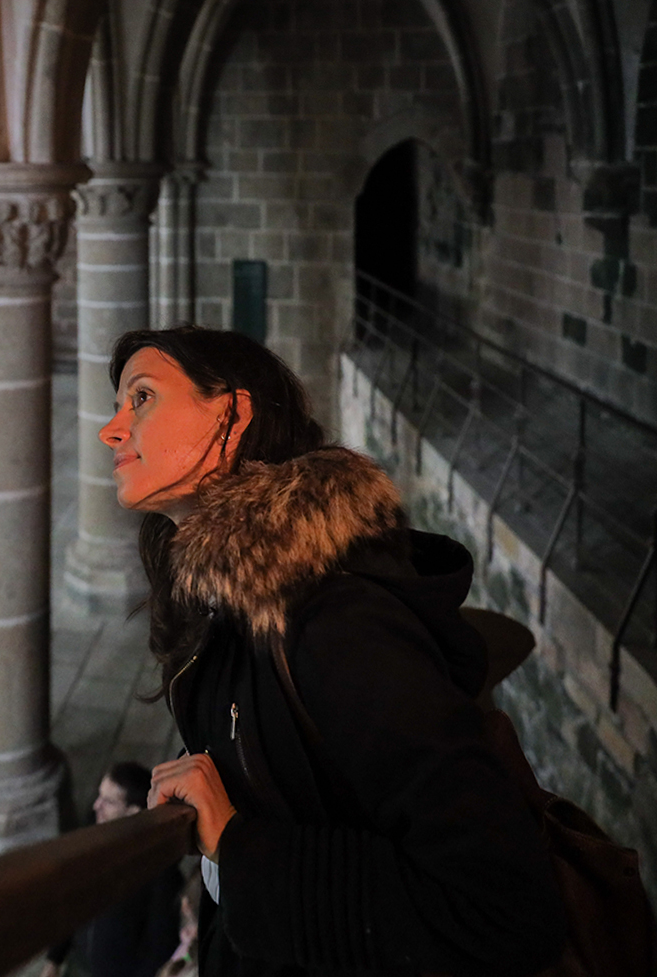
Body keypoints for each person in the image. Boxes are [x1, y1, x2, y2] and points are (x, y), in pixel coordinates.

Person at [96, 326, 566, 977]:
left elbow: (502, 909)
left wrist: (238, 844)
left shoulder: (340, 629)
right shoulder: (220, 606)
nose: (112, 430)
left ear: (233, 415)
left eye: (141, 398)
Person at [41, 762, 183, 977]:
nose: (96, 806)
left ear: (133, 812)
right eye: (99, 796)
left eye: (108, 802)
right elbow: (73, 902)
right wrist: (54, 958)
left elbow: (160, 947)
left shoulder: (160, 870)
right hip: (82, 965)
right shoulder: (89, 837)